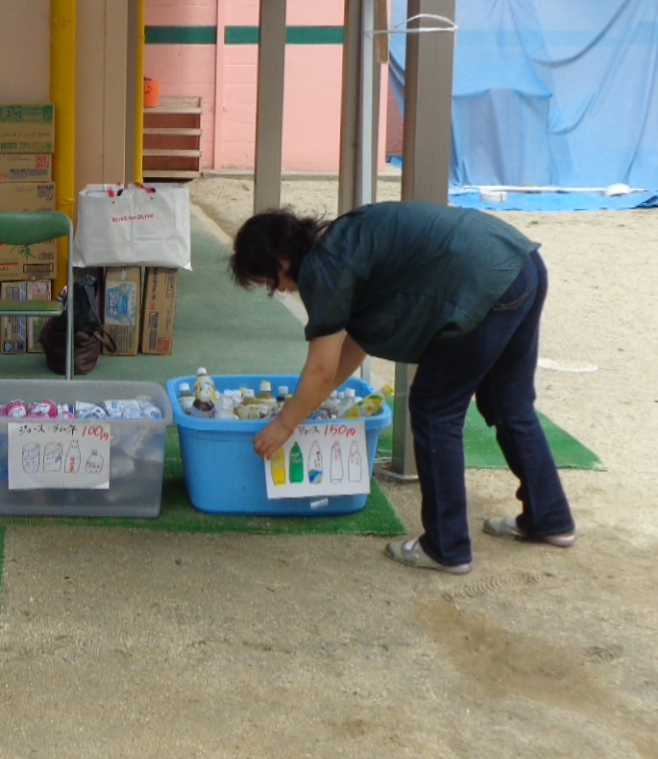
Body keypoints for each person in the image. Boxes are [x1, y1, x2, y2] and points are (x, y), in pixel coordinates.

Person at [229, 202, 575, 574]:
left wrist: (285, 424)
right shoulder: (341, 236)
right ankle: (550, 518)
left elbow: (320, 371)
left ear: (281, 260)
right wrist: (315, 400)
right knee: (511, 404)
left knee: (434, 410)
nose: (282, 289)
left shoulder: (322, 267)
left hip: (484, 286)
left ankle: (446, 547)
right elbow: (356, 343)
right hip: (522, 264)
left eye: (272, 282)